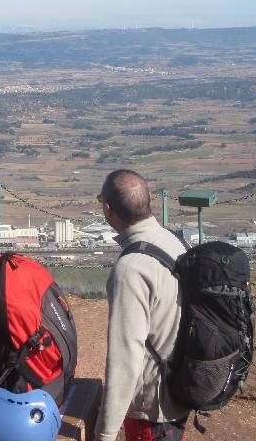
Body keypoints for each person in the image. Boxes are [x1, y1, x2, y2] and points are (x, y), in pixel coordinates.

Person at [95, 169, 190, 441]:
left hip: (152, 405)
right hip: (178, 385)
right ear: (149, 199)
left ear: (108, 210)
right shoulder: (173, 240)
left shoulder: (131, 268)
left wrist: (105, 434)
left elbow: (125, 359)